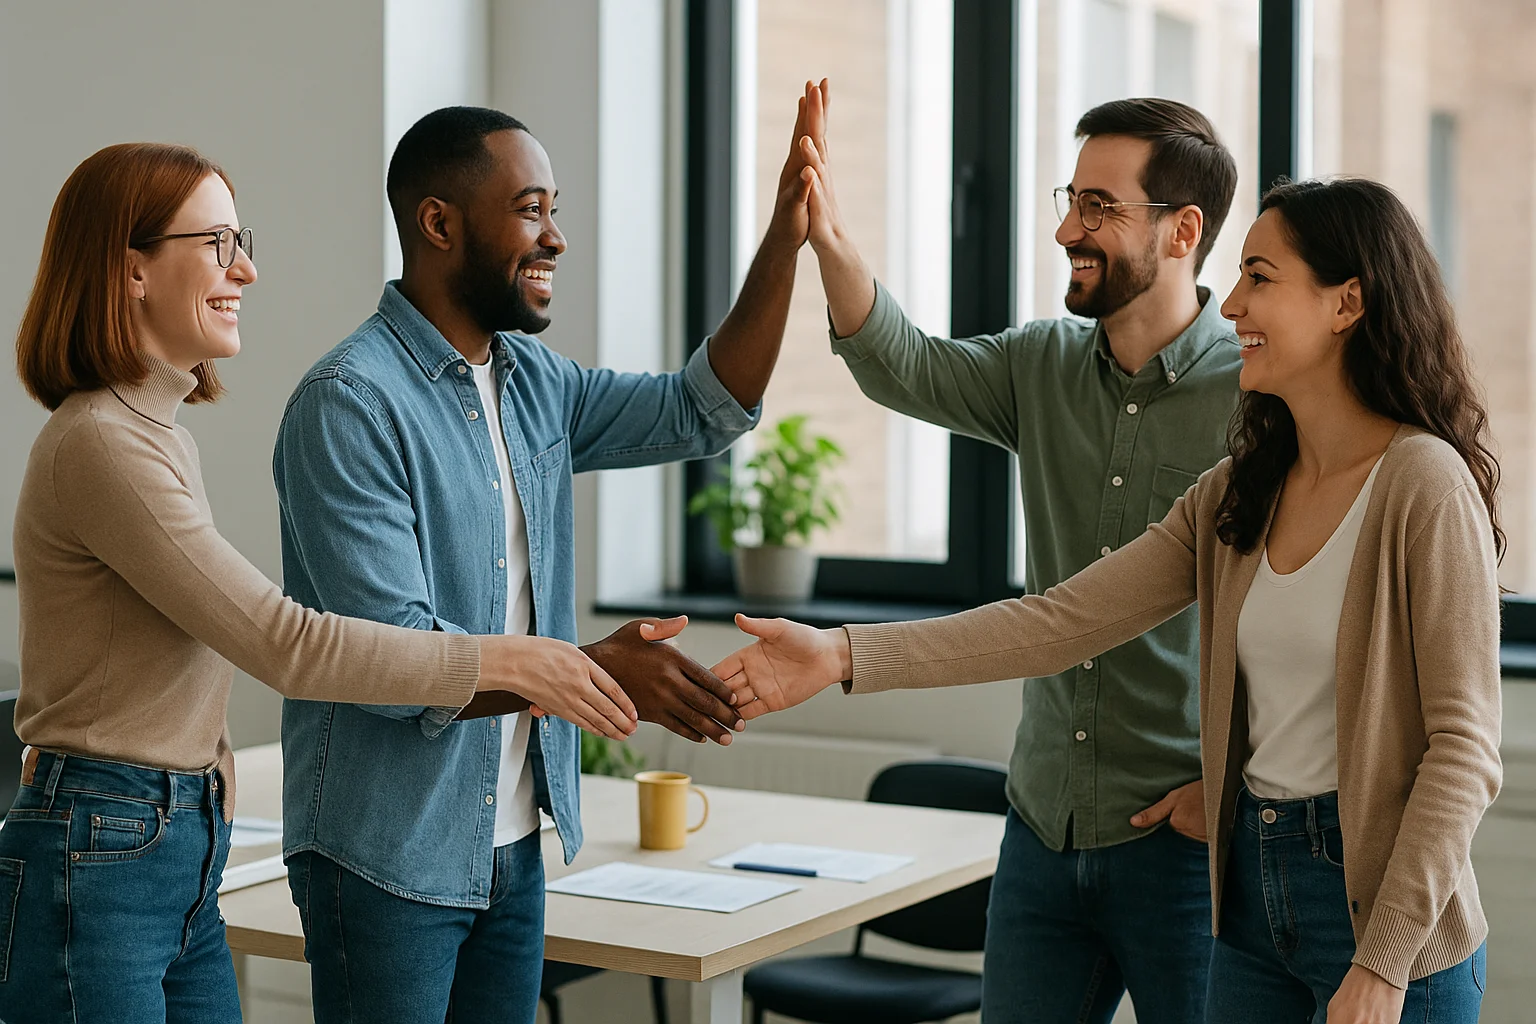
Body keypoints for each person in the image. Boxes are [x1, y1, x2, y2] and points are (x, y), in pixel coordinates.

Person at [716, 176, 1500, 1024]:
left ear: (1347, 303)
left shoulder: (1423, 484)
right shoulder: (1241, 491)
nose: (1231, 303)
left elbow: (1463, 750)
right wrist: (841, 654)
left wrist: (1383, 963)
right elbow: (1061, 622)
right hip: (1247, 902)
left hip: (1381, 907)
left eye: (1260, 278)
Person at [0, 142, 639, 1024]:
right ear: (132, 268)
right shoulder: (102, 444)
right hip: (107, 845)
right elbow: (284, 644)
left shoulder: (154, 433)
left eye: (241, 241)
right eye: (218, 244)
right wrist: (517, 662)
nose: (247, 269)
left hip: (165, 841)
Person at [272, 100, 816, 1024]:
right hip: (385, 856)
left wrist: (783, 242)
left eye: (552, 209)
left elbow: (703, 409)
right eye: (530, 209)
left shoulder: (533, 383)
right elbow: (394, 662)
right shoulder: (348, 404)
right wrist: (594, 673)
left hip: (513, 844)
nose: (556, 238)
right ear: (439, 223)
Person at [780, 83, 1241, 1022]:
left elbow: (1309, 622)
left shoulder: (1255, 397)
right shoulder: (1041, 364)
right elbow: (903, 364)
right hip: (1042, 823)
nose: (1069, 229)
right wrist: (827, 238)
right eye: (1069, 199)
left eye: (1100, 207)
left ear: (1183, 231)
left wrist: (1229, 787)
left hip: (1185, 844)